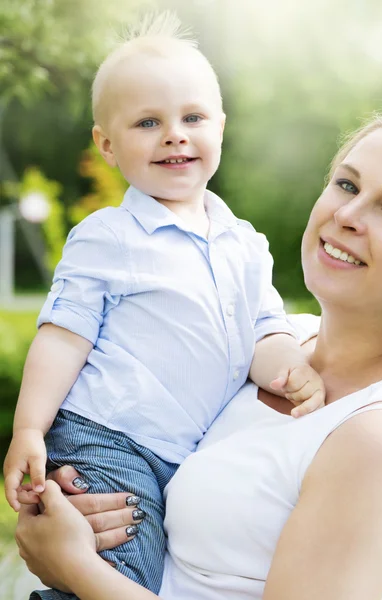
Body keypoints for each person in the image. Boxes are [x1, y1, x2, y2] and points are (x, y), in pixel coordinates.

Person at [16, 94, 382, 600]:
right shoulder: (275, 339)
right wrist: (87, 491)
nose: (347, 214)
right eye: (347, 184)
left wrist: (76, 566)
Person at [3, 11, 327, 599]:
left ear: (221, 129)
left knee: (162, 567)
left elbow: (262, 329)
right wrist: (31, 426)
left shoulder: (244, 242)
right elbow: (63, 334)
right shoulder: (108, 235)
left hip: (184, 455)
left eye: (192, 117)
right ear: (107, 144)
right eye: (148, 122)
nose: (175, 134)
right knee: (121, 572)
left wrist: (289, 368)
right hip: (109, 435)